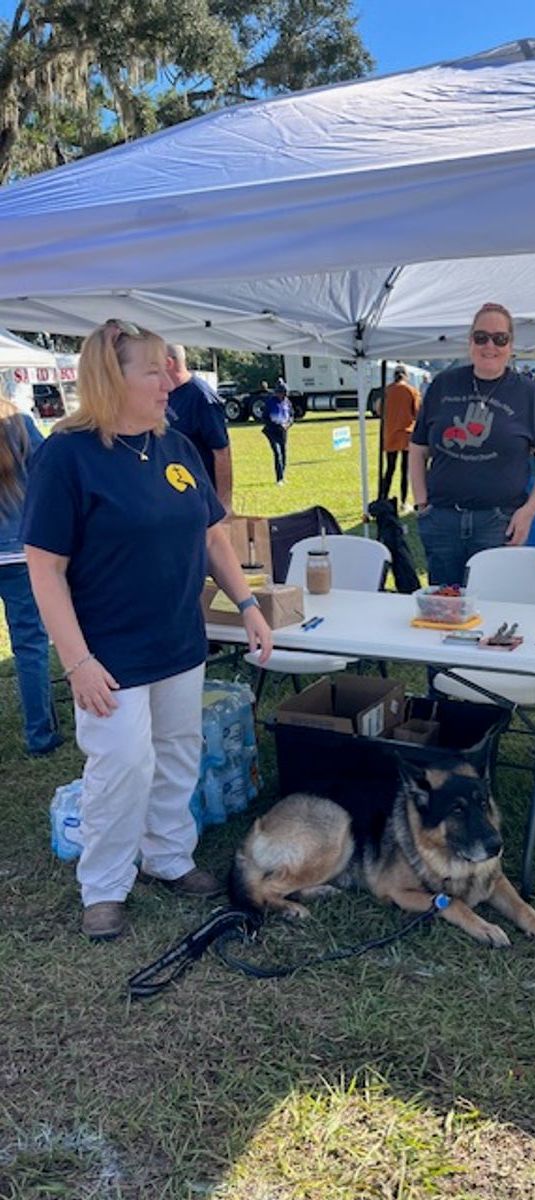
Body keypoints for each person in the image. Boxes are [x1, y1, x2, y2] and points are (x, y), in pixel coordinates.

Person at [23, 318, 273, 941]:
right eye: (153, 370)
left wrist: (246, 605)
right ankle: (104, 884)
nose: (170, 380)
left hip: (178, 641)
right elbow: (45, 570)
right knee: (121, 764)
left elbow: (213, 533)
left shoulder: (176, 447)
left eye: (168, 366)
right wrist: (77, 661)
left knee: (178, 752)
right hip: (109, 652)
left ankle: (167, 856)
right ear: (113, 378)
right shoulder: (66, 456)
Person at [409, 302, 535, 587]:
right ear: (470, 342)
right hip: (442, 518)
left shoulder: (530, 394)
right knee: (443, 609)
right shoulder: (443, 385)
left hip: (499, 521)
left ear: (510, 344)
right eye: (481, 337)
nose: (489, 345)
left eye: (499, 338)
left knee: (492, 607)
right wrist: (422, 504)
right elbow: (417, 448)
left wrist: (528, 511)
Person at [0, 388, 62, 756]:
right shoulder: (19, 423)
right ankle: (40, 733)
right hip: (19, 551)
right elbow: (48, 472)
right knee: (30, 645)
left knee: (30, 644)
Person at [164, 343, 233, 512]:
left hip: (199, 498)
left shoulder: (202, 396)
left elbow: (222, 451)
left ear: (168, 363)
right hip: (171, 494)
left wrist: (224, 504)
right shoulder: (162, 394)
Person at [379, 365, 420, 510]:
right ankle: (404, 501)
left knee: (389, 469)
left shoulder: (386, 391)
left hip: (390, 434)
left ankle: (383, 497)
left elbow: (379, 410)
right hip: (407, 434)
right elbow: (417, 412)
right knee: (405, 470)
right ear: (406, 376)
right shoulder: (411, 391)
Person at [261, 382, 293, 485]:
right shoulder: (270, 402)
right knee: (277, 452)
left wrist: (288, 425)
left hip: (283, 431)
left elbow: (291, 416)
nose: (282, 396)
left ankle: (283, 476)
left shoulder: (287, 403)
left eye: (284, 394)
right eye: (281, 393)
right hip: (272, 431)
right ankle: (279, 478)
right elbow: (265, 417)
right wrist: (275, 425)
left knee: (283, 453)